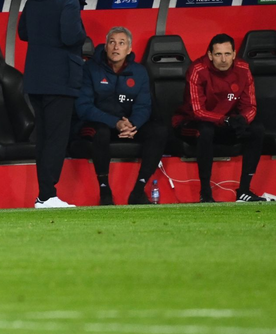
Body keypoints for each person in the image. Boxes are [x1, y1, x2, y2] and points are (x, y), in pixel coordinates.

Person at [19, 0, 86, 208]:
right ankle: (48, 195)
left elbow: (23, 32)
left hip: (35, 77)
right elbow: (71, 35)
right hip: (61, 78)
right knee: (57, 139)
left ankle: (44, 194)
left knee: (44, 138)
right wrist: (83, 34)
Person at [74, 26, 166, 205]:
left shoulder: (139, 72)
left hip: (126, 125)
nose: (116, 47)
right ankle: (104, 190)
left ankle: (139, 191)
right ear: (106, 46)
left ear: (129, 49)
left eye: (121, 43)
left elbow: (144, 105)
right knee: (100, 132)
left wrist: (134, 125)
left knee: (159, 130)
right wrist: (115, 122)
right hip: (97, 124)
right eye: (112, 42)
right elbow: (83, 107)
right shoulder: (90, 69)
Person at [173, 33, 266, 203]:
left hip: (225, 124)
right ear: (210, 55)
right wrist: (226, 120)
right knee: (205, 130)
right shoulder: (198, 70)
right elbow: (197, 111)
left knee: (257, 128)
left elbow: (250, 106)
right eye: (218, 54)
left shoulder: (243, 69)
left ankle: (244, 191)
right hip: (191, 124)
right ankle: (206, 193)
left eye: (227, 54)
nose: (223, 59)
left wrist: (242, 120)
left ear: (234, 54)